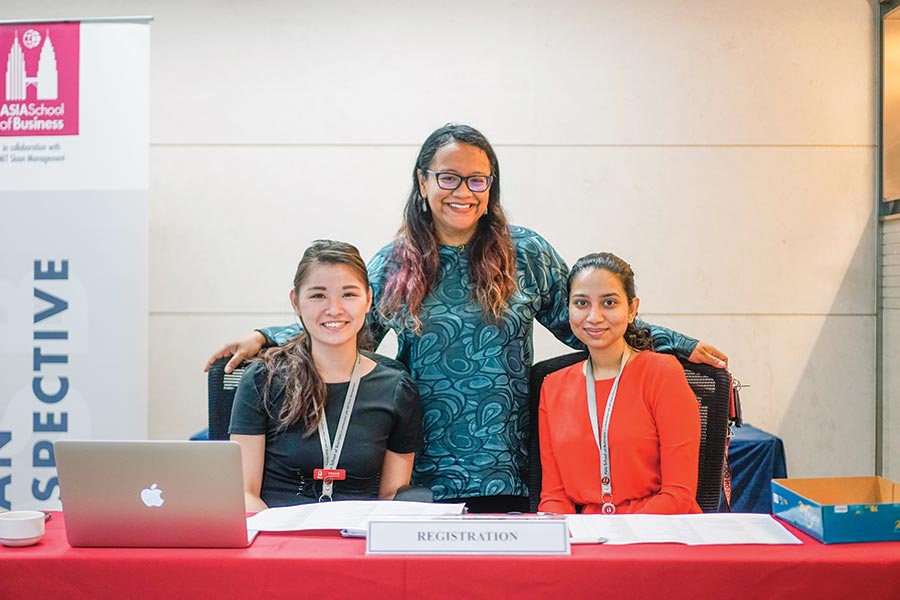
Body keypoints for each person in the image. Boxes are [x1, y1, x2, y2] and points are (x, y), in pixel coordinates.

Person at [207, 123, 726, 513]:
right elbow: (346, 326)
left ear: (491, 185)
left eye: (478, 179)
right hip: (417, 466)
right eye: (449, 177)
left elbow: (588, 320)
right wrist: (265, 335)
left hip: (506, 464)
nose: (463, 191)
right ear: (423, 181)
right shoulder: (394, 262)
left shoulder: (526, 253)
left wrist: (676, 342)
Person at [228, 240, 423, 511]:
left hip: (357, 539)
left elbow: (393, 496)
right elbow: (244, 492)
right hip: (279, 537)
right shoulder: (263, 379)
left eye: (349, 295)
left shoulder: (397, 388)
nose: (334, 309)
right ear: (296, 302)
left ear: (368, 300)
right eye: (318, 296)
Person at [538, 252, 701, 515]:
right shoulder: (553, 386)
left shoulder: (662, 373)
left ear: (632, 309)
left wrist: (617, 533)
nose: (594, 317)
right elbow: (554, 497)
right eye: (581, 303)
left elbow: (678, 495)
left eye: (609, 303)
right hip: (590, 537)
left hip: (659, 530)